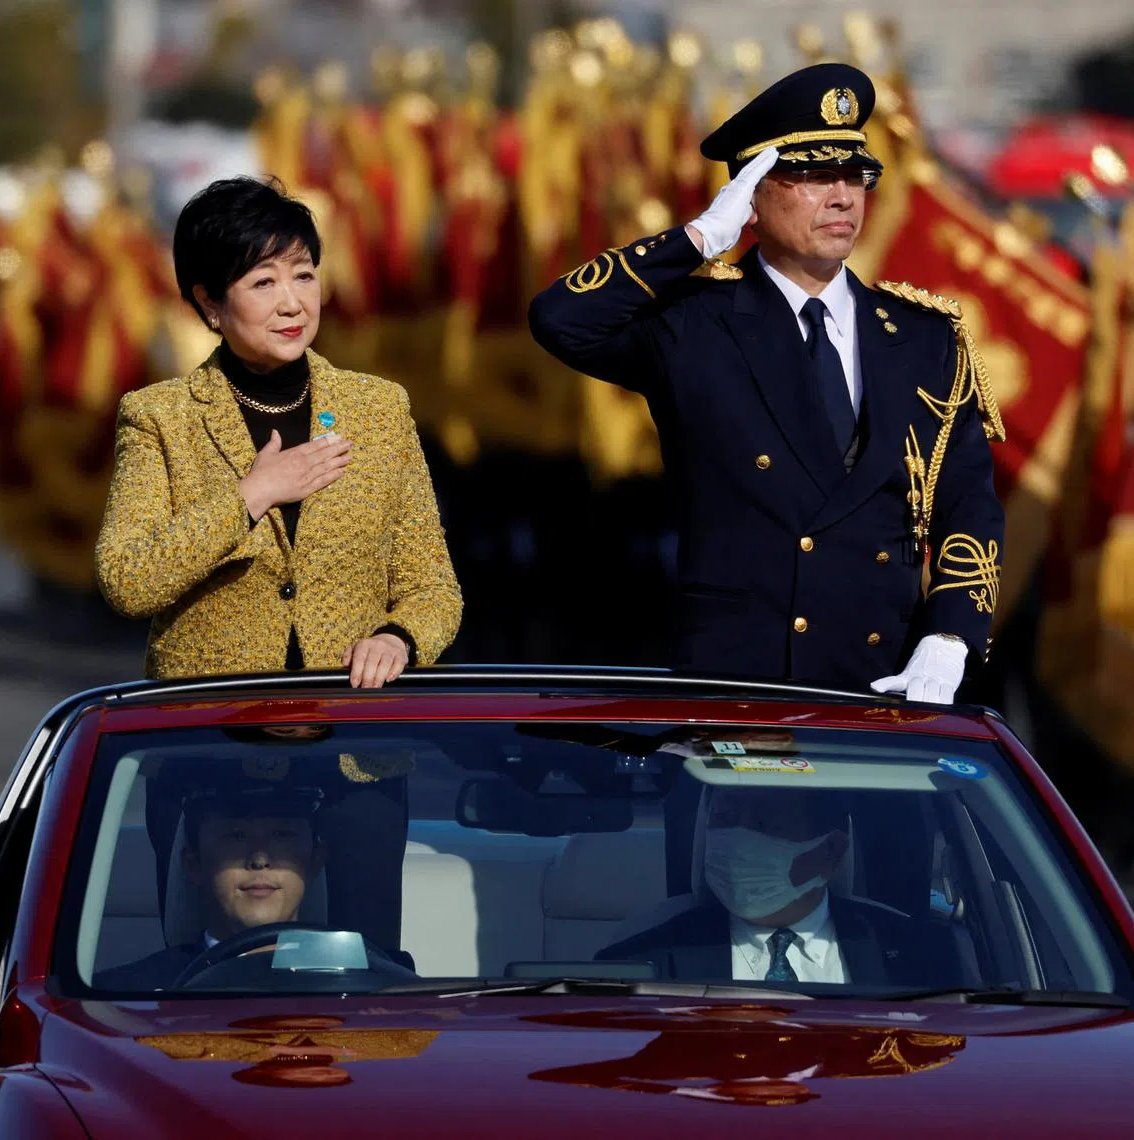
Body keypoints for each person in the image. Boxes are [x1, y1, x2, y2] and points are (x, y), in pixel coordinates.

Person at [528, 63, 1005, 703]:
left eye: (855, 177)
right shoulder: (696, 322)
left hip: (888, 684)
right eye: (812, 177)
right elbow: (561, 318)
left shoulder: (923, 336)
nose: (843, 197)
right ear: (752, 191)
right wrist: (699, 239)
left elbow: (969, 503)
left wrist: (950, 637)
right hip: (740, 687)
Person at [96, 176, 462, 688]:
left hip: (353, 738)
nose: (292, 303)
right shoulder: (160, 416)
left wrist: (397, 638)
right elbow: (128, 579)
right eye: (263, 283)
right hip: (215, 738)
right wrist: (252, 495)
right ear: (210, 304)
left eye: (304, 276)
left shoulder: (379, 408)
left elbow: (432, 587)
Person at [95, 778, 412, 991]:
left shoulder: (381, 990)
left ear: (315, 860)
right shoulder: (129, 999)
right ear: (194, 864)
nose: (260, 858)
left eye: (282, 836)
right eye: (236, 837)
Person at [596, 786, 924, 985]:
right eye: (724, 819)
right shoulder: (637, 964)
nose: (737, 843)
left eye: (764, 825)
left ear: (831, 851)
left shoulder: (925, 957)